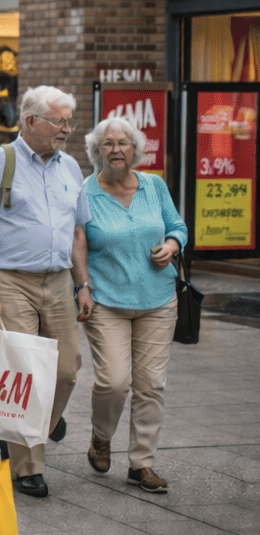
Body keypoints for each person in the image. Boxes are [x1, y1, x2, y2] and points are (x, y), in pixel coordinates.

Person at [0, 85, 93, 498]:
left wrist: (83, 285)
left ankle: (36, 425)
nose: (66, 129)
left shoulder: (72, 168)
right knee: (24, 371)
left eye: (68, 121)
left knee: (67, 368)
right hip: (10, 278)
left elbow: (78, 232)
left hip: (59, 279)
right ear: (30, 121)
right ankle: (27, 469)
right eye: (59, 121)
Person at [81, 116, 187, 494]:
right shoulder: (86, 192)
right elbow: (77, 243)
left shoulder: (154, 186)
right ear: (97, 151)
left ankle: (142, 463)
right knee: (114, 381)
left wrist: (172, 246)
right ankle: (101, 436)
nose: (116, 150)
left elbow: (178, 226)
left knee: (151, 385)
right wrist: (82, 287)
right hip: (107, 301)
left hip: (158, 300)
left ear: (135, 150)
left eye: (123, 143)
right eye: (108, 144)